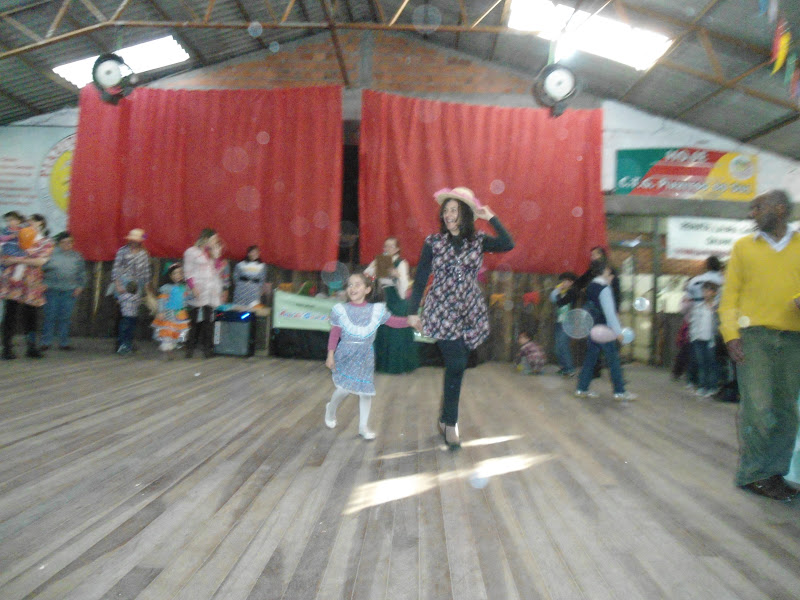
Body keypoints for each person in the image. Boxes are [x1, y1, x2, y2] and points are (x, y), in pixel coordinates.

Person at [407, 187, 514, 448]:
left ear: (464, 213)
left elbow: (508, 243)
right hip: (442, 308)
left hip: (469, 309)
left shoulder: (478, 240)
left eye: (454, 210)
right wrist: (412, 311)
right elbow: (421, 276)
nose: (448, 214)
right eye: (446, 210)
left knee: (458, 366)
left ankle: (445, 418)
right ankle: (451, 422)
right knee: (455, 363)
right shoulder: (433, 242)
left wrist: (491, 217)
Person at [718, 189, 800, 502]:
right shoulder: (743, 247)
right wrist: (731, 334)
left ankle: (774, 473)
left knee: (786, 410)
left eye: (758, 207)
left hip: (794, 338)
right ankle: (754, 474)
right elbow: (730, 297)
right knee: (758, 406)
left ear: (779, 209)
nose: (752, 213)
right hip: (754, 337)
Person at [324, 273, 412, 440]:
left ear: (367, 289)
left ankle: (363, 427)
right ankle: (330, 409)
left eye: (357, 284)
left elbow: (393, 321)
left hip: (365, 356)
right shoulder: (341, 310)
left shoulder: (375, 310)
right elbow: (335, 333)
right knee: (343, 389)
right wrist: (330, 354)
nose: (353, 288)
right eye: (350, 285)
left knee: (365, 392)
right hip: (346, 354)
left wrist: (410, 321)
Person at [574, 259, 637, 401]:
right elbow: (610, 313)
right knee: (613, 360)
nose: (609, 272)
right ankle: (620, 391)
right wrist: (618, 332)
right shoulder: (604, 288)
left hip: (592, 328)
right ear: (603, 270)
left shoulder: (590, 286)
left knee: (590, 359)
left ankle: (581, 389)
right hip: (603, 330)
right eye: (608, 269)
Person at [0, 214, 53, 359]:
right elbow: (5, 258)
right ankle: (7, 348)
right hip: (13, 281)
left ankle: (32, 347)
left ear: (41, 223)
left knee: (31, 315)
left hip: (31, 282)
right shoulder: (16, 237)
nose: (30, 224)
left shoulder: (45, 242)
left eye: (33, 221)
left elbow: (40, 261)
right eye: (28, 222)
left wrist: (18, 260)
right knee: (10, 313)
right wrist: (14, 259)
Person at [364, 237, 419, 374]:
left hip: (396, 297)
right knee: (382, 331)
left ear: (397, 249)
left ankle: (399, 366)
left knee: (396, 333)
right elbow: (367, 276)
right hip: (382, 296)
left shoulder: (401, 263)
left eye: (391, 246)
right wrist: (373, 272)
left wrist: (397, 275)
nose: (387, 249)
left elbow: (404, 285)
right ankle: (382, 365)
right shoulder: (379, 260)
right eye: (386, 246)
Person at [183, 228, 229, 358]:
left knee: (209, 320)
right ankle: (190, 348)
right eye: (213, 239)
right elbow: (188, 271)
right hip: (197, 289)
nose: (215, 241)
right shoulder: (192, 252)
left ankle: (207, 349)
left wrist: (217, 257)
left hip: (210, 291)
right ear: (205, 238)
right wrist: (193, 287)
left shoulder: (211, 253)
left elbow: (217, 271)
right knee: (194, 320)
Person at [40, 231, 87, 351]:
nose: (67, 244)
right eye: (64, 242)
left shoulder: (77, 256)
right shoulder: (50, 254)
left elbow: (82, 273)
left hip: (69, 291)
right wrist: (42, 283)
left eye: (69, 242)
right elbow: (41, 269)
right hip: (51, 290)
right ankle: (46, 342)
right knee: (49, 316)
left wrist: (80, 286)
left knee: (65, 317)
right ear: (58, 243)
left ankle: (64, 343)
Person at [110, 229, 153, 353]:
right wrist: (118, 284)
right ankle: (123, 344)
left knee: (132, 316)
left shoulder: (143, 254)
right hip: (124, 284)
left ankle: (126, 342)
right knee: (127, 315)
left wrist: (147, 289)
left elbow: (146, 272)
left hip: (137, 286)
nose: (133, 242)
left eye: (136, 240)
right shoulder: (122, 251)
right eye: (132, 240)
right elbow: (116, 269)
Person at [151, 262, 191, 359]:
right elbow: (162, 300)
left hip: (180, 314)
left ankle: (171, 348)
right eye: (175, 273)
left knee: (176, 332)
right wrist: (161, 311)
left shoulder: (184, 287)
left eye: (180, 273)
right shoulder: (167, 288)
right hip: (169, 313)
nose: (177, 275)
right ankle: (168, 350)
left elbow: (186, 299)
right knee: (168, 331)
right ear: (170, 276)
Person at [688, 281, 720, 397]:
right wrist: (693, 336)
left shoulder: (717, 308)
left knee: (711, 364)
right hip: (698, 338)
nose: (705, 293)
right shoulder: (698, 307)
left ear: (714, 292)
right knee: (701, 364)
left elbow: (719, 324)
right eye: (704, 290)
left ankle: (712, 387)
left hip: (711, 340)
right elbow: (694, 322)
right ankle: (702, 386)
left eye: (708, 290)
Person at [549, 271, 578, 377]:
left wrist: (558, 292)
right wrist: (557, 290)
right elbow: (552, 298)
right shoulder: (563, 291)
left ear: (571, 282)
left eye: (566, 281)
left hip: (568, 322)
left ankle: (570, 368)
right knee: (558, 347)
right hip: (559, 321)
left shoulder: (573, 292)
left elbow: (561, 302)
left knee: (563, 345)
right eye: (563, 281)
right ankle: (564, 368)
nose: (563, 283)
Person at [117, 281, 141, 355]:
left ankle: (122, 346)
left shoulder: (124, 296)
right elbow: (139, 303)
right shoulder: (137, 297)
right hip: (133, 317)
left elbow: (118, 301)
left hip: (125, 317)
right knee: (130, 333)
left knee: (123, 332)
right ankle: (129, 347)